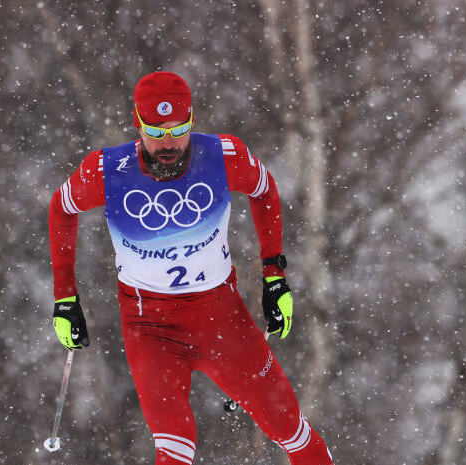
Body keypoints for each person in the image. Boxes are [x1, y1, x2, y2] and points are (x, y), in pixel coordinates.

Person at [48, 71, 334, 465]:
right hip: (151, 327)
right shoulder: (105, 171)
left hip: (222, 317)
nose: (168, 143)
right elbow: (61, 208)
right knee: (175, 446)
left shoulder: (224, 156)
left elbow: (265, 189)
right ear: (137, 122)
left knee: (290, 429)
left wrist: (274, 275)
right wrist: (65, 299)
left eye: (178, 129)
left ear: (192, 119)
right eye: (156, 131)